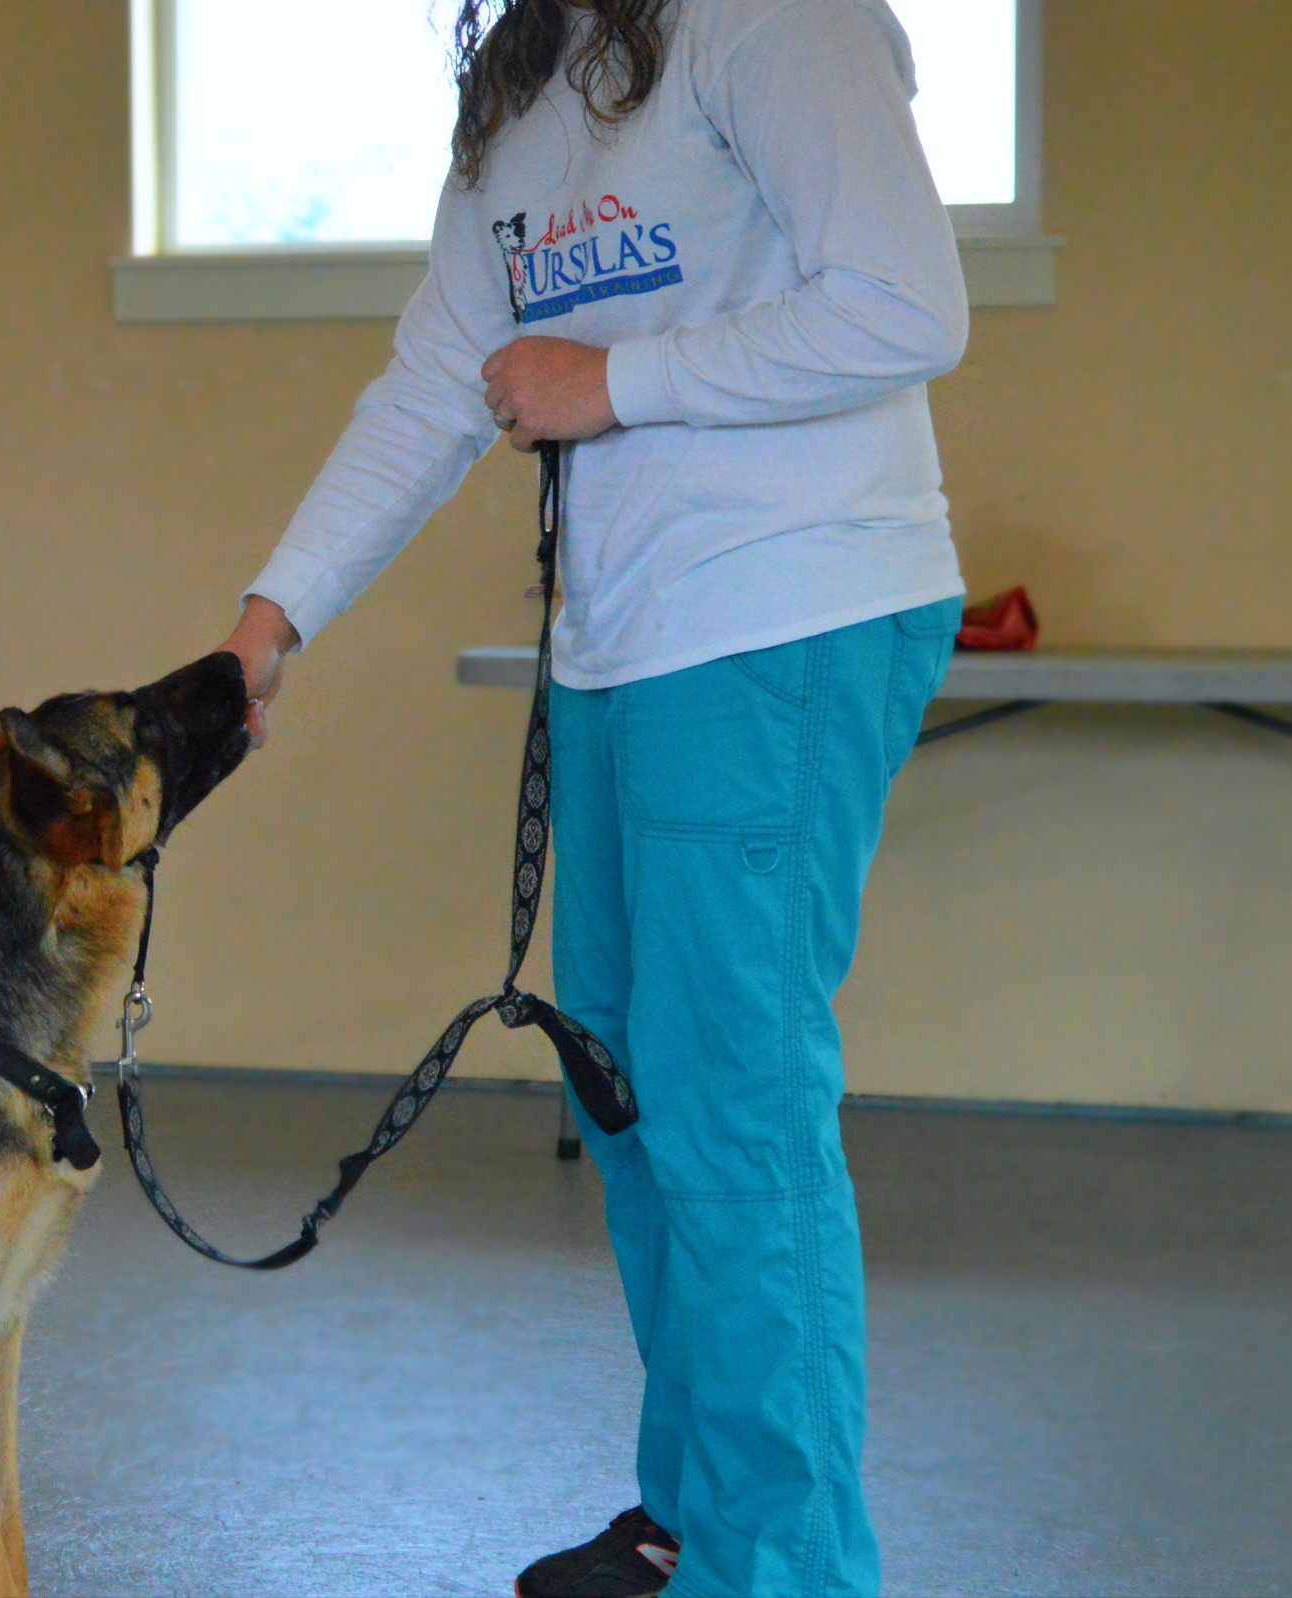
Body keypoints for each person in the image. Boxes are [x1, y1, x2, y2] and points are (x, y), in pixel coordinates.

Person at [214, 3, 968, 1594]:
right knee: (627, 1095)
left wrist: (612, 380)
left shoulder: (770, 22)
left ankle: (786, 1566)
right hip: (625, 643)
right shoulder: (526, 79)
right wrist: (269, 617)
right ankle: (695, 1506)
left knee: (729, 1104)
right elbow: (438, 379)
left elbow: (905, 304)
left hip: (784, 611)